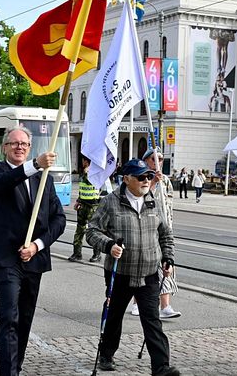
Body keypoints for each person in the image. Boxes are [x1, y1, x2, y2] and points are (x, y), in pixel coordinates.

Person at [0, 126, 66, 376]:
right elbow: (2, 185)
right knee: (9, 315)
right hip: (6, 256)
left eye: (24, 144)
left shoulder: (44, 178)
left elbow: (58, 219)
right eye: (14, 143)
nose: (19, 147)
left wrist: (37, 245)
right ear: (5, 147)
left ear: (30, 147)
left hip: (34, 257)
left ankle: (15, 365)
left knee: (25, 318)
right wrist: (34, 165)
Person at [86, 159, 179, 376]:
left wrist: (168, 258)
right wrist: (108, 245)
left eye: (148, 176)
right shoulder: (110, 202)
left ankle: (161, 367)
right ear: (126, 179)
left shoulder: (155, 201)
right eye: (141, 177)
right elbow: (91, 232)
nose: (146, 180)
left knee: (152, 322)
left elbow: (165, 234)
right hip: (120, 273)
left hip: (148, 274)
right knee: (114, 316)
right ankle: (106, 354)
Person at [142, 148, 181, 320]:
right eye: (153, 158)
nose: (157, 161)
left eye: (160, 158)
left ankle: (165, 306)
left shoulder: (165, 180)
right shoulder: (142, 177)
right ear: (145, 161)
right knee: (145, 266)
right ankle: (138, 302)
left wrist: (169, 225)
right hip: (147, 227)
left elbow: (169, 203)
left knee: (167, 264)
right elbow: (139, 198)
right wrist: (152, 183)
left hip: (164, 229)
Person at [70, 156, 101, 263]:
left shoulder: (95, 174)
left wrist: (89, 172)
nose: (82, 162)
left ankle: (97, 254)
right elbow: (82, 188)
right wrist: (78, 201)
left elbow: (91, 183)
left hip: (93, 206)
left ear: (87, 161)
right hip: (83, 205)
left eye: (83, 160)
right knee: (79, 230)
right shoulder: (83, 173)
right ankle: (77, 253)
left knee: (94, 230)